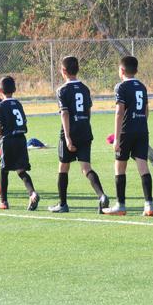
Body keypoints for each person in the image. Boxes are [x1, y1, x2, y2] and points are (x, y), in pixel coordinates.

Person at [51, 56, 109, 214]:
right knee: (86, 168)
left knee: (63, 167)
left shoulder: (62, 90)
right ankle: (102, 195)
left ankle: (62, 204)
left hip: (70, 132)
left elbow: (65, 114)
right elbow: (88, 110)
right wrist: (85, 124)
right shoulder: (85, 88)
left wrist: (68, 137)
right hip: (85, 130)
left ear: (63, 71)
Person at [103, 55, 153, 217]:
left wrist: (117, 138)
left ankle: (120, 205)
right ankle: (149, 205)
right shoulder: (142, 86)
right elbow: (146, 110)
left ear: (122, 70)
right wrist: (140, 123)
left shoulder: (121, 87)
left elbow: (119, 112)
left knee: (119, 167)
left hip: (126, 131)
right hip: (142, 130)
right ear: (136, 70)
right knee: (143, 166)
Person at [0, 76, 39, 211]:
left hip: (8, 140)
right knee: (21, 170)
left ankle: (3, 201)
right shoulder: (18, 104)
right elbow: (24, 122)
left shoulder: (0, 106)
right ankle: (32, 193)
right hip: (21, 139)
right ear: (15, 89)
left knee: (3, 170)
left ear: (0, 90)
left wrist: (0, 142)